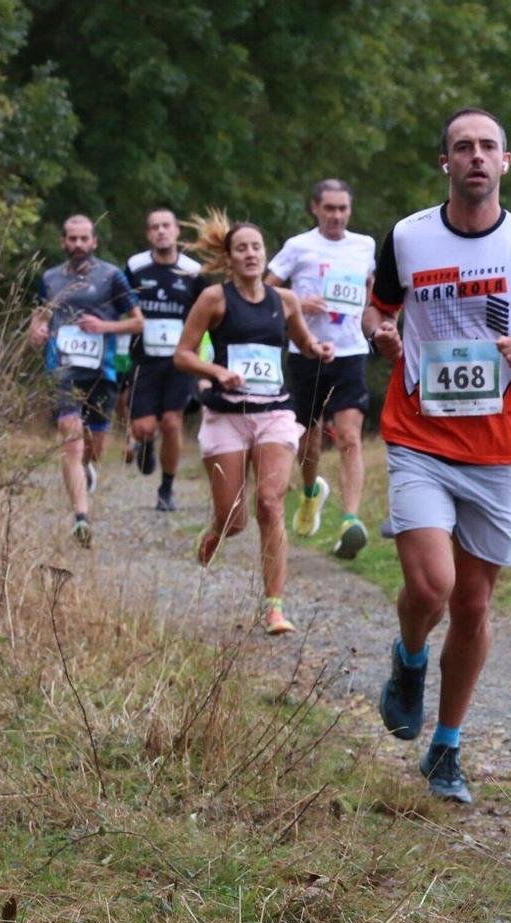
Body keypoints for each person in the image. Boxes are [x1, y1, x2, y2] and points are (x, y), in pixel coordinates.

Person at [365, 108, 511, 804]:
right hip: (419, 434)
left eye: (488, 147)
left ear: (506, 162)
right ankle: (408, 659)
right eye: (463, 147)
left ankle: (446, 746)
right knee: (431, 586)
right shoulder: (407, 237)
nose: (476, 158)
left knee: (474, 600)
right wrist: (382, 334)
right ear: (446, 164)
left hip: (495, 448)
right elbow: (378, 310)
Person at [173, 212, 335, 635]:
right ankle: (215, 532)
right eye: (241, 248)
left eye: (256, 247)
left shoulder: (285, 301)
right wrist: (216, 372)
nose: (250, 254)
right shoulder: (214, 299)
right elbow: (183, 354)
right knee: (235, 519)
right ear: (229, 258)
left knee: (269, 501)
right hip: (226, 414)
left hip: (274, 413)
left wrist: (320, 348)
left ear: (265, 255)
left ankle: (274, 608)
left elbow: (303, 341)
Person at [267, 179, 377, 558]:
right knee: (307, 437)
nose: (336, 216)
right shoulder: (299, 247)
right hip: (306, 353)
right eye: (329, 208)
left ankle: (350, 521)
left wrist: (373, 323)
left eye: (343, 208)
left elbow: (368, 292)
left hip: (350, 353)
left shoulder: (364, 246)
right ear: (315, 208)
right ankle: (311, 490)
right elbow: (264, 291)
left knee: (349, 437)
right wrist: (297, 302)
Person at [27, 214, 142, 545]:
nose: (78, 245)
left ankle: (89, 467)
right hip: (61, 370)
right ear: (63, 242)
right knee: (70, 438)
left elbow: (138, 324)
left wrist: (104, 327)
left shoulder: (111, 277)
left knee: (94, 445)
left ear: (94, 242)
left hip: (101, 371)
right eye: (72, 239)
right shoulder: (49, 278)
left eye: (84, 239)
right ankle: (81, 516)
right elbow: (38, 320)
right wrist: (37, 331)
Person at [125, 207, 206, 511]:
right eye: (154, 227)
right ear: (148, 234)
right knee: (145, 426)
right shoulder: (135, 267)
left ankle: (166, 489)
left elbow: (206, 319)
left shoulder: (193, 271)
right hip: (143, 359)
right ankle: (145, 442)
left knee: (172, 422)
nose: (161, 231)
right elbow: (123, 307)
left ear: (176, 232)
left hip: (179, 361)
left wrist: (202, 365)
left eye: (166, 226)